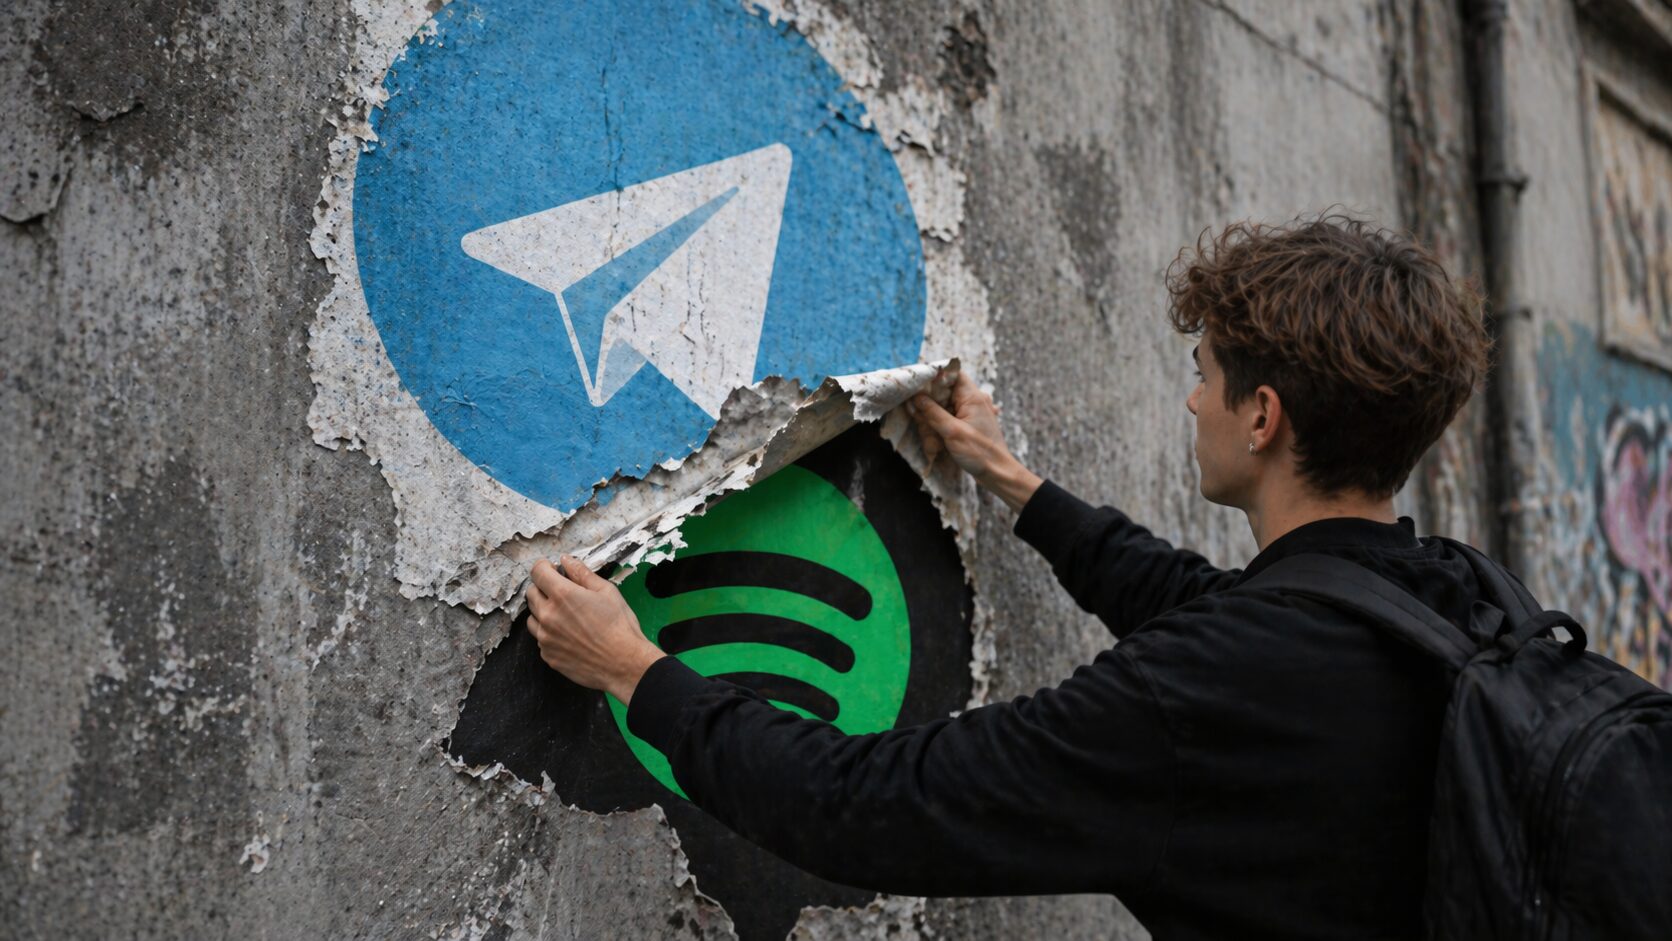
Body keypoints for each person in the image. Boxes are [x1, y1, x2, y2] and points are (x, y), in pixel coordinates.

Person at [522, 214, 1492, 940]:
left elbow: (872, 805)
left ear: (1262, 417)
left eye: (1204, 374)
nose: (1194, 401)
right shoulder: (1458, 599)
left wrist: (633, 670)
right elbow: (1196, 599)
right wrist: (1008, 477)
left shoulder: (1209, 694)